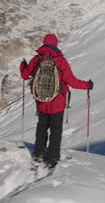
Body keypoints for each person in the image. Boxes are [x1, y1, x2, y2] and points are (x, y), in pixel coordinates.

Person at [20, 33, 92, 168]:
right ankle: (52, 159)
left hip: (41, 101)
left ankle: (38, 154)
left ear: (44, 43)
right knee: (55, 130)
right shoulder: (61, 61)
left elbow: (25, 75)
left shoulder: (37, 59)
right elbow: (72, 81)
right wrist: (87, 85)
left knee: (42, 127)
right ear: (56, 45)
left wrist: (23, 66)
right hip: (58, 102)